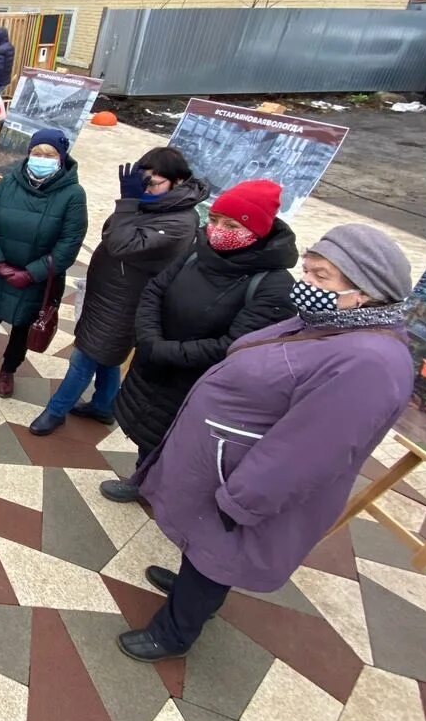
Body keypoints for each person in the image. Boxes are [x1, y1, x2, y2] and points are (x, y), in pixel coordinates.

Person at [117, 225, 415, 663]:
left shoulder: (370, 361)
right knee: (205, 547)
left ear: (365, 293)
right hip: (228, 465)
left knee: (218, 551)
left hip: (247, 484)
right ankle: (190, 591)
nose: (306, 283)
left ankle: (174, 633)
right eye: (308, 269)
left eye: (322, 277)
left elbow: (310, 452)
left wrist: (242, 500)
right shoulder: (329, 323)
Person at [101, 179, 298, 503]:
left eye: (231, 224)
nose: (218, 229)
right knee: (149, 433)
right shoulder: (198, 250)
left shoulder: (273, 285)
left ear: (258, 231)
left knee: (182, 443)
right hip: (155, 366)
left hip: (198, 382)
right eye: (216, 220)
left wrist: (166, 351)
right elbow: (155, 290)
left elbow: (237, 344)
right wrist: (149, 338)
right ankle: (143, 481)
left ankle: (166, 495)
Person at [29, 148, 207, 436]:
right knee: (107, 355)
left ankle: (55, 411)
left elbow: (121, 246)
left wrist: (129, 202)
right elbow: (110, 232)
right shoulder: (151, 204)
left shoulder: (179, 221)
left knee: (84, 357)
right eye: (142, 181)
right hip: (107, 294)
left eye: (154, 182)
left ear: (178, 181)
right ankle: (104, 407)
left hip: (128, 302)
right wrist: (133, 202)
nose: (146, 187)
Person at [0, 128, 87, 397]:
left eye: (49, 154)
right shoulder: (9, 182)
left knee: (22, 325)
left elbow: (68, 245)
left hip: (36, 278)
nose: (41, 158)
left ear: (61, 158)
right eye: (36, 153)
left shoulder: (73, 195)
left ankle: (9, 369)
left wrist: (31, 274)